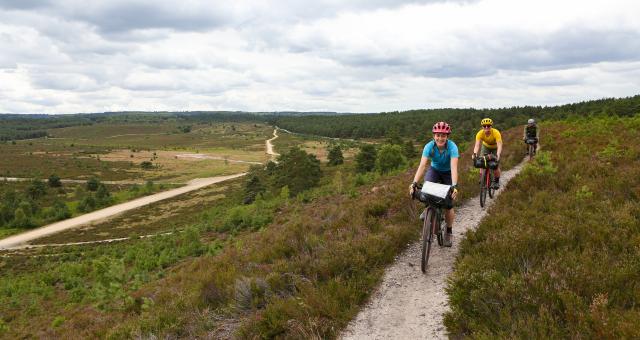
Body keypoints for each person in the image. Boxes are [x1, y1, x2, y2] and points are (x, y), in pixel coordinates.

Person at [409, 121, 459, 247]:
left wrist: (454, 186)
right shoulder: (429, 147)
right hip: (435, 170)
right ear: (433, 136)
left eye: (443, 135)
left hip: (448, 172)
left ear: (447, 137)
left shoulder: (452, 147)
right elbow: (422, 165)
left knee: (448, 205)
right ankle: (428, 210)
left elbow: (454, 167)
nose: (440, 138)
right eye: (438, 135)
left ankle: (448, 231)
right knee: (426, 189)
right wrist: (414, 182)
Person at [472, 118, 502, 189]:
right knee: (481, 161)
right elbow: (477, 145)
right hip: (486, 146)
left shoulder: (496, 132)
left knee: (495, 165)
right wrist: (475, 154)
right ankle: (482, 178)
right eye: (484, 126)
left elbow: (499, 145)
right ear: (482, 127)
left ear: (491, 126)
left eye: (488, 126)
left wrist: (498, 155)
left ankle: (496, 181)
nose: (486, 127)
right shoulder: (480, 133)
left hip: (495, 147)